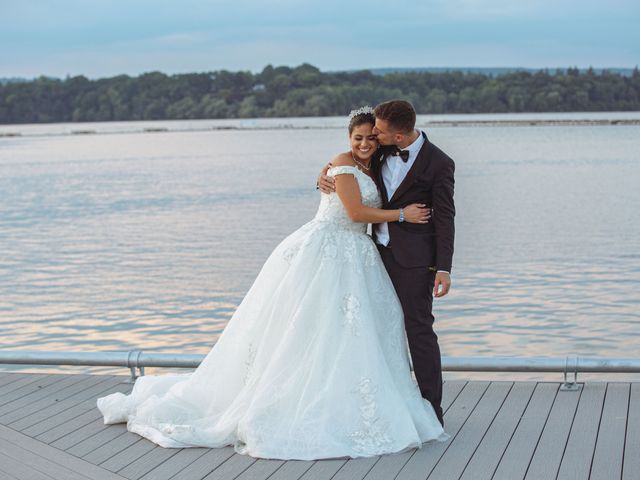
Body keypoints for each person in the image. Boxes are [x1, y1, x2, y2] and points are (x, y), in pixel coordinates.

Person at [96, 107, 449, 461]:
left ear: (391, 137)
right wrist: (393, 209)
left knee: (370, 331)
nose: (368, 142)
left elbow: (439, 215)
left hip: (368, 256)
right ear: (348, 138)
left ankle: (417, 405)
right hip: (330, 251)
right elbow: (354, 209)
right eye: (359, 137)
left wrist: (442, 268)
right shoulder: (345, 160)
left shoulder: (391, 156)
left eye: (373, 137)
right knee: (311, 328)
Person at [317, 100, 455, 426]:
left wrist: (444, 268)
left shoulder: (439, 163)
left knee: (418, 330)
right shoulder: (378, 151)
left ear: (400, 136)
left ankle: (431, 411)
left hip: (415, 263)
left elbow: (446, 219)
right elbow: (348, 167)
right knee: (371, 330)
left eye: (379, 132)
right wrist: (322, 176)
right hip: (371, 256)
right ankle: (375, 403)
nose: (373, 137)